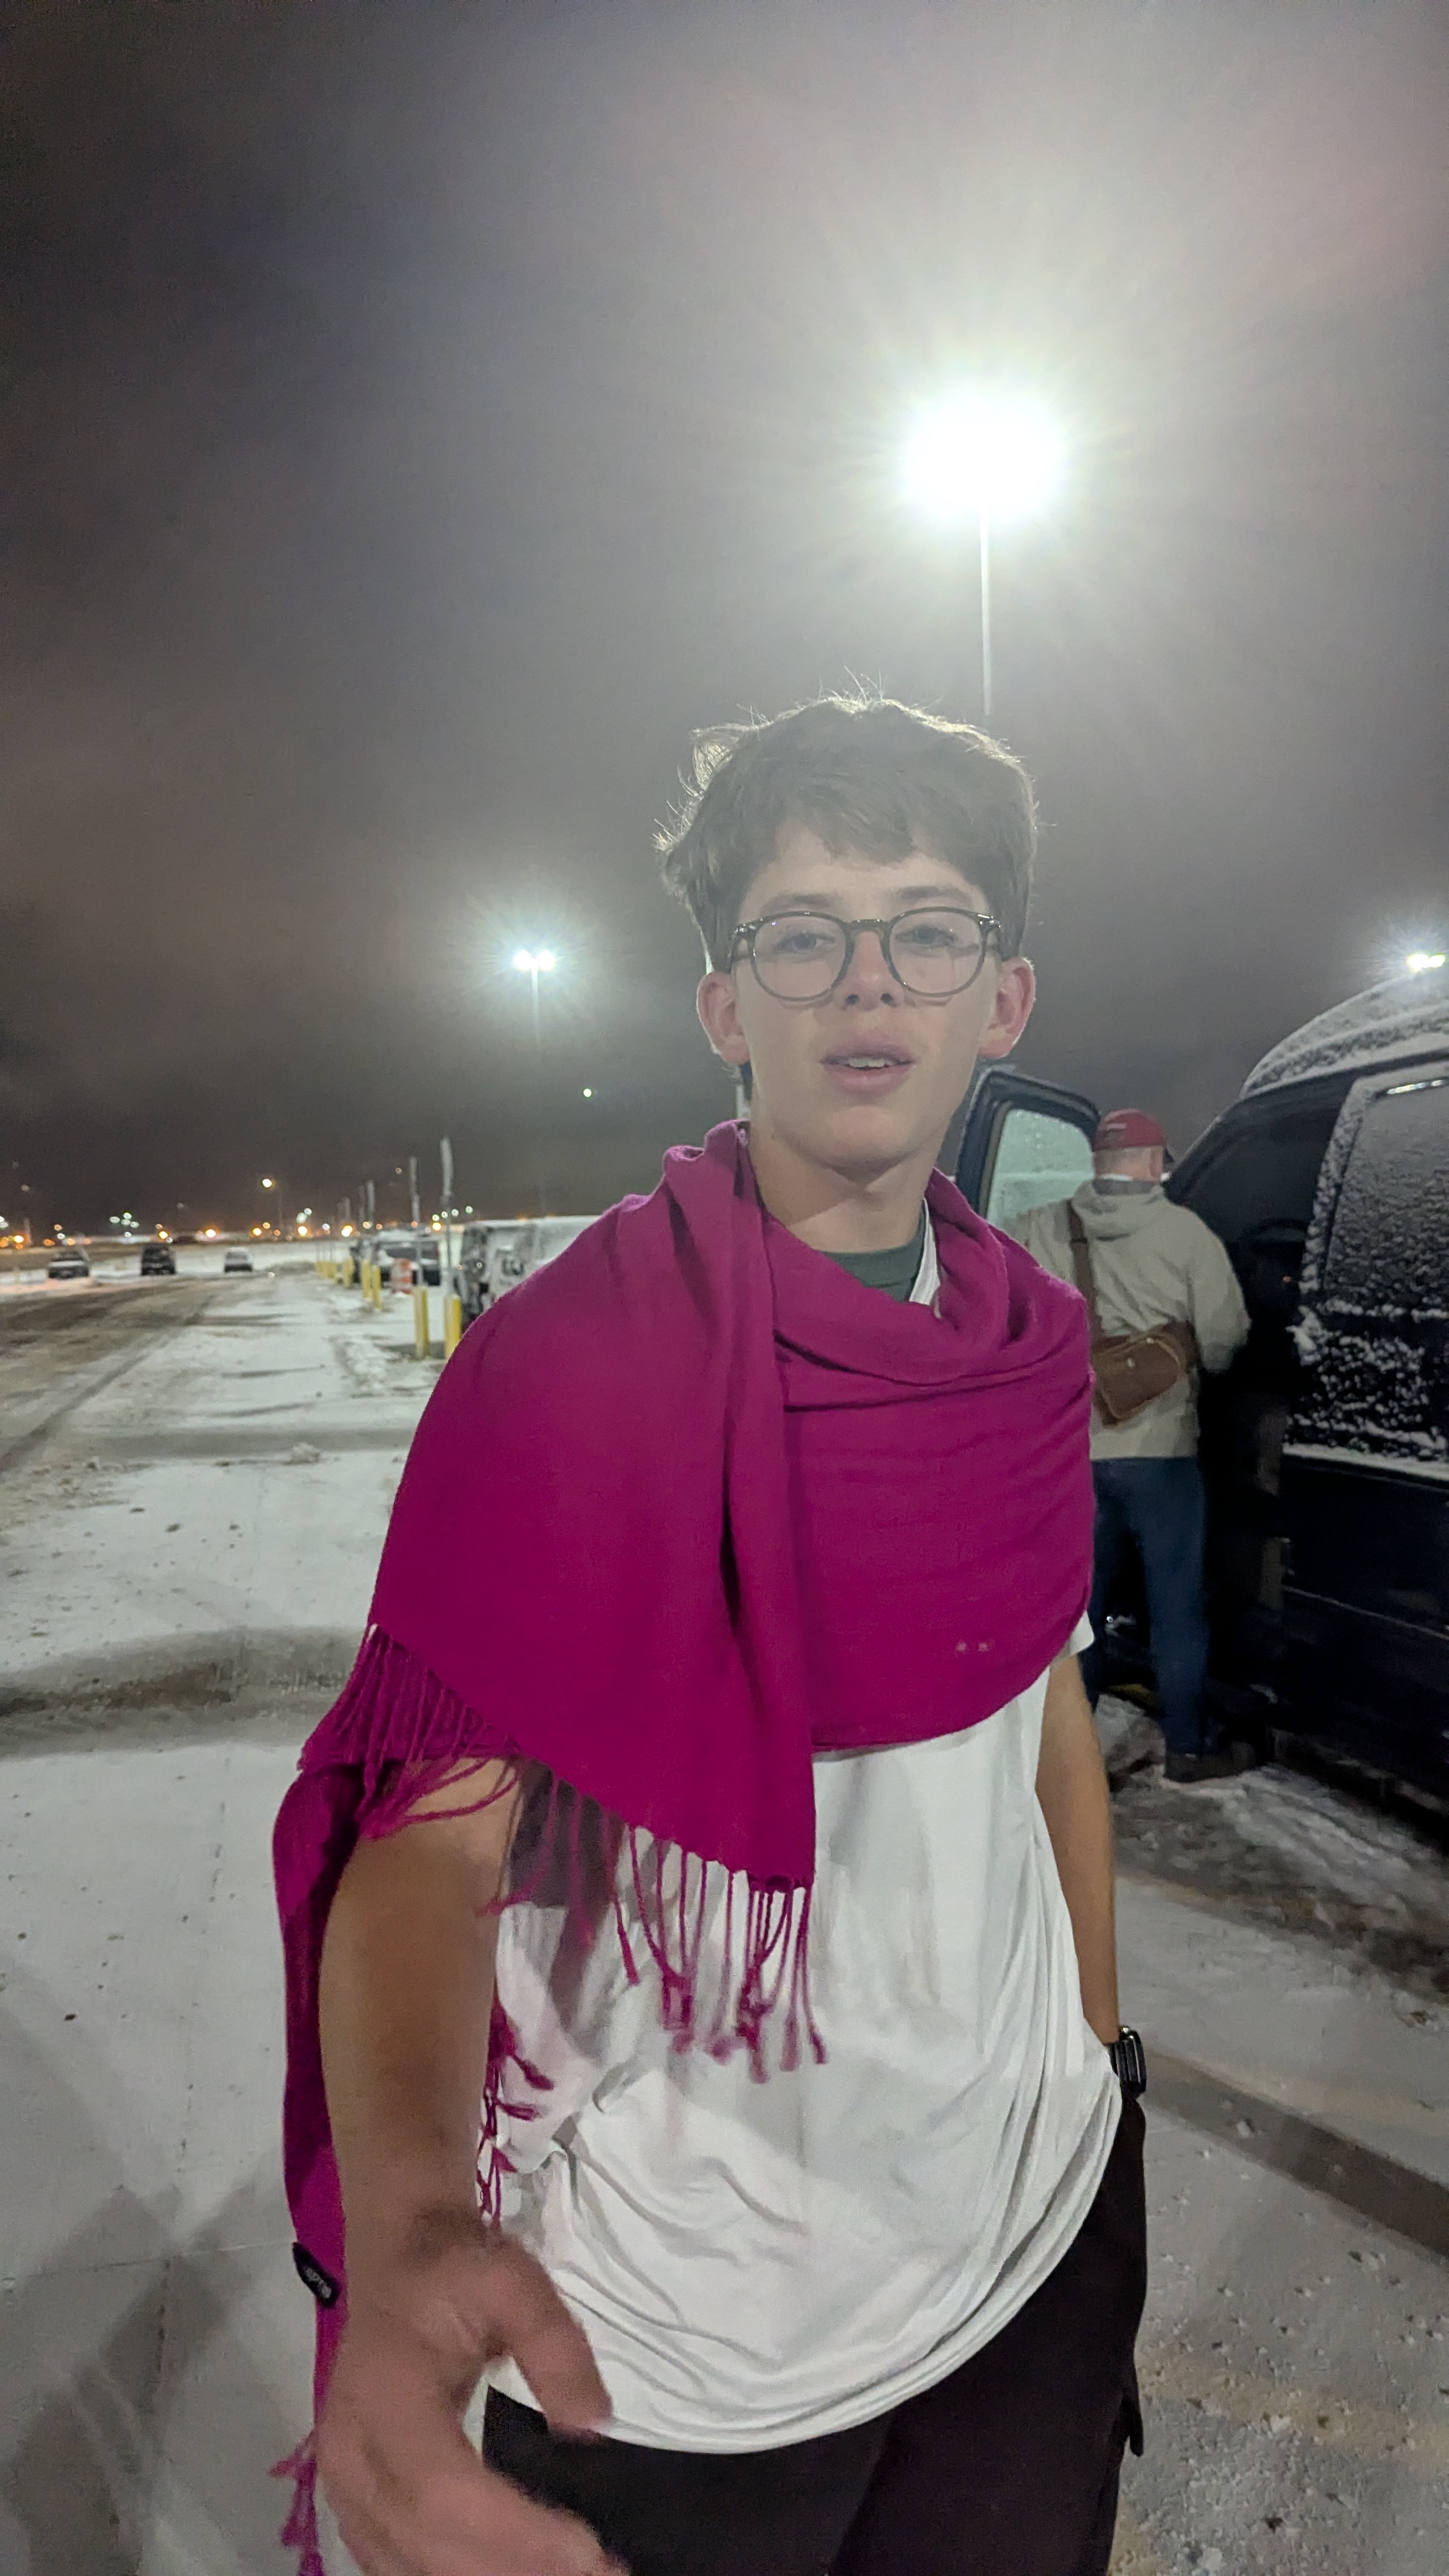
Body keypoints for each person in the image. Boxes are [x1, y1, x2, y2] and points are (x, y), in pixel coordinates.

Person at [273, 697, 1148, 2576]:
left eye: (927, 929)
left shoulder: (1021, 1349)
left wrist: (1097, 2057)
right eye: (803, 932)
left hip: (1032, 2254)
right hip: (675, 2349)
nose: (868, 979)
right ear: (723, 1005)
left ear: (1001, 1000)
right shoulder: (565, 1372)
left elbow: (1045, 1723)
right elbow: (428, 1850)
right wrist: (415, 2221)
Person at [1006, 1108, 1249, 1784]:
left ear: (1097, 1163)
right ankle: (1188, 1748)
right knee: (1176, 1606)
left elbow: (1007, 1306)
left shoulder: (1041, 1227)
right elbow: (1225, 1340)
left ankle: (1069, 1759)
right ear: (1150, 1162)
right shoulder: (1186, 1235)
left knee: (1079, 1611)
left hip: (1072, 1454)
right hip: (1161, 1453)